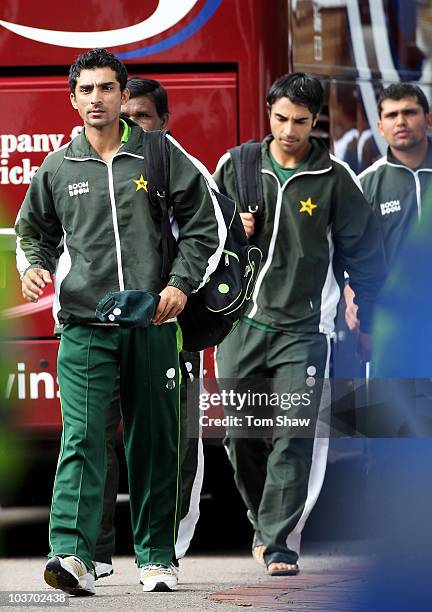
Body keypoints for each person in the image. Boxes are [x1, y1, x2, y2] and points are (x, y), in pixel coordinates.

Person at [15, 48, 224, 596]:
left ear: (122, 94)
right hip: (84, 325)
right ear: (73, 98)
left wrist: (180, 283)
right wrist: (34, 266)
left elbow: (206, 226)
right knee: (83, 438)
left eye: (106, 88)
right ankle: (74, 555)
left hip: (153, 322)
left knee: (154, 442)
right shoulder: (58, 167)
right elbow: (32, 230)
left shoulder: (158, 154)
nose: (96, 99)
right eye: (85, 90)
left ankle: (156, 556)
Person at [213, 72, 386, 576]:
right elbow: (201, 237)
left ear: (316, 121)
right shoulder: (238, 164)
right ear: (269, 112)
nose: (289, 130)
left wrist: (367, 313)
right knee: (241, 435)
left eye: (301, 121)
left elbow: (366, 256)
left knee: (293, 434)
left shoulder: (335, 178)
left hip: (305, 331)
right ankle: (262, 518)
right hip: (240, 325)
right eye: (281, 118)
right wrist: (231, 228)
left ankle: (278, 543)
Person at [93, 76, 204, 580]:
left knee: (167, 441)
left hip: (165, 325)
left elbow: (208, 233)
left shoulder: (172, 161)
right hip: (101, 327)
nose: (130, 123)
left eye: (142, 116)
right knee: (95, 436)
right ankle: (92, 553)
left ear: (163, 121)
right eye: (127, 113)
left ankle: (162, 547)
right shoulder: (84, 165)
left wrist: (178, 288)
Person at [345, 82, 432, 332]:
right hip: (394, 321)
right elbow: (352, 253)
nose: (401, 122)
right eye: (391, 115)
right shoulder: (365, 184)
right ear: (380, 127)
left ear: (429, 119)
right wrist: (350, 294)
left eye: (409, 112)